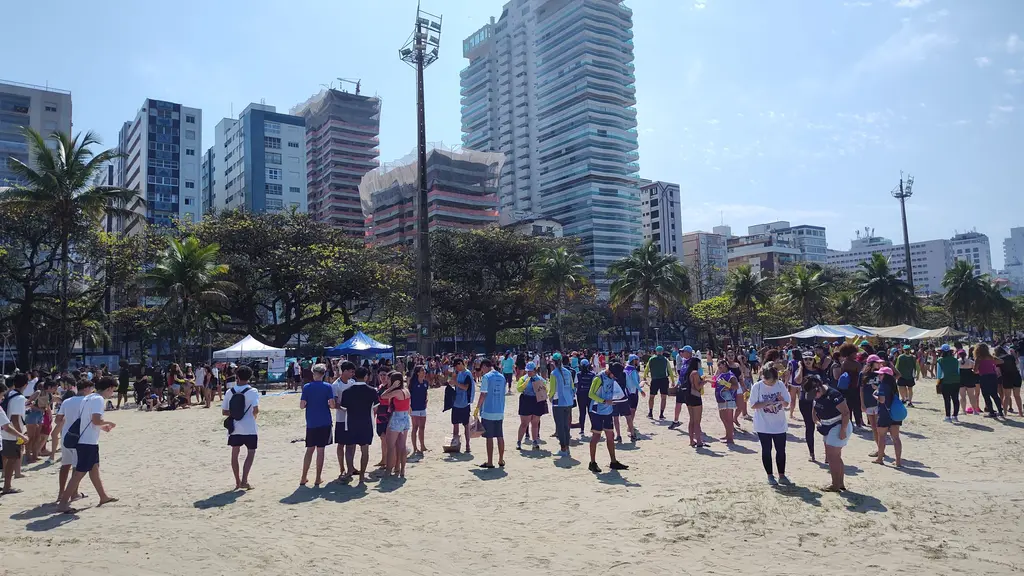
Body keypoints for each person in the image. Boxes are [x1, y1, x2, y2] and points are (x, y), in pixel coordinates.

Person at [56, 377, 118, 514]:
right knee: (79, 473)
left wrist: (102, 427)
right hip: (87, 442)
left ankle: (103, 496)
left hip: (86, 440)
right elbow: (96, 420)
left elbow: (87, 420)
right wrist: (108, 423)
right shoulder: (98, 399)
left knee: (94, 469)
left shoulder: (88, 398)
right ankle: (63, 502)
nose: (112, 393)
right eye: (112, 390)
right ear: (108, 388)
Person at [805, 374, 852, 492]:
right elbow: (814, 411)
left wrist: (843, 430)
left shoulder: (833, 394)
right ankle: (839, 483)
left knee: (832, 457)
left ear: (819, 388)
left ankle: (835, 485)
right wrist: (816, 421)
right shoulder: (816, 395)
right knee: (835, 456)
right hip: (827, 426)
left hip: (839, 425)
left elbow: (846, 413)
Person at [748, 366, 791, 485]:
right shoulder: (757, 386)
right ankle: (770, 475)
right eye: (769, 382)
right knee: (766, 450)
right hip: (763, 425)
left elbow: (787, 403)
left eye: (773, 381)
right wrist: (767, 402)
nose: (771, 384)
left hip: (779, 424)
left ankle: (782, 475)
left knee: (781, 450)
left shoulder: (780, 385)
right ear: (763, 377)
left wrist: (782, 401)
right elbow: (753, 405)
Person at [338, 367, 378, 483]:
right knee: (364, 450)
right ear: (366, 376)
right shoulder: (372, 391)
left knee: (349, 449)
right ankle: (361, 477)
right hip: (366, 423)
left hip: (351, 423)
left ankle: (349, 471)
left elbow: (343, 408)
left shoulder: (347, 391)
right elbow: (376, 408)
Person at [222, 366, 259, 490]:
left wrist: (235, 413)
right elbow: (256, 410)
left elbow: (225, 411)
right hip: (249, 427)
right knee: (251, 452)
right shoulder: (253, 391)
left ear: (236, 376)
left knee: (234, 454)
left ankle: (237, 481)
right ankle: (245, 480)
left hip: (235, 428)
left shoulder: (229, 392)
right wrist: (252, 416)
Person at [587, 362, 628, 473]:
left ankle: (613, 461)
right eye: (614, 375)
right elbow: (591, 394)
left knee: (610, 435)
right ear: (610, 371)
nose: (615, 377)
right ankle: (592, 462)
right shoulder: (598, 378)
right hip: (597, 411)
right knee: (596, 436)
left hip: (608, 411)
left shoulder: (612, 378)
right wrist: (604, 401)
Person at [299, 363, 335, 486]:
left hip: (312, 421)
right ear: (324, 374)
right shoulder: (328, 387)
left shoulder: (307, 387)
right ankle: (318, 478)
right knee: (321, 450)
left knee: (309, 450)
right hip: (324, 420)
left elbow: (302, 405)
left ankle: (303, 477)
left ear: (313, 373)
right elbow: (332, 404)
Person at [475, 358, 507, 468]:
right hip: (500, 410)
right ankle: (501, 460)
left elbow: (483, 394)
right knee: (499, 435)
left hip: (488, 411)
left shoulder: (486, 377)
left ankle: (490, 461)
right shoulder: (502, 377)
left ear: (485, 366)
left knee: (489, 437)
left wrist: (477, 407)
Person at [1, 374, 29, 494]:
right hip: (12, 432)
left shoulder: (10, 393)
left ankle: (6, 483)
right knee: (13, 459)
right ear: (25, 385)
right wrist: (21, 435)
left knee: (7, 458)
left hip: (4, 432)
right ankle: (7, 486)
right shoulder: (20, 398)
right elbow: (15, 418)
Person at [380, 372, 411, 478]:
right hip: (405, 418)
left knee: (391, 446)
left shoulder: (397, 392)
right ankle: (401, 470)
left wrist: (392, 387)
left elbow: (383, 396)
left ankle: (388, 470)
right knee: (402, 446)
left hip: (397, 417)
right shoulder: (406, 390)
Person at [872, 367, 903, 467]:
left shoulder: (883, 386)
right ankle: (898, 461)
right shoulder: (894, 385)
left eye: (881, 374)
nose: (879, 376)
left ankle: (880, 458)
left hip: (884, 413)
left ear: (886, 376)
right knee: (896, 438)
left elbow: (882, 400)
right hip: (895, 413)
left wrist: (875, 395)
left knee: (882, 437)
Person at [331, 361, 357, 479]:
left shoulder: (353, 382)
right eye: (351, 371)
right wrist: (345, 409)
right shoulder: (336, 385)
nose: (352, 374)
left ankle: (351, 466)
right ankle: (342, 467)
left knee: (352, 444)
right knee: (341, 444)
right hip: (341, 419)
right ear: (345, 371)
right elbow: (335, 404)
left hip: (352, 418)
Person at [516, 362, 547, 451]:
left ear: (535, 370)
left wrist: (543, 391)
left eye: (531, 371)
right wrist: (525, 382)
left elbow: (545, 390)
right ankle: (519, 441)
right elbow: (519, 389)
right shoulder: (523, 378)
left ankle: (535, 441)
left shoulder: (540, 379)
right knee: (524, 423)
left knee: (535, 422)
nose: (529, 373)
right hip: (526, 399)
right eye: (528, 371)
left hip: (537, 401)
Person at [549, 353, 575, 457]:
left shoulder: (553, 373)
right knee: (566, 426)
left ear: (553, 362)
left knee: (560, 426)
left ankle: (563, 448)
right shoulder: (568, 372)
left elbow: (552, 389)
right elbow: (572, 386)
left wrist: (549, 397)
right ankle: (567, 447)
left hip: (558, 402)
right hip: (568, 401)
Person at [794, 353, 818, 462]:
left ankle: (828, 453)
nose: (808, 361)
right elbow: (797, 381)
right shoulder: (801, 371)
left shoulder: (819, 371)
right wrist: (800, 367)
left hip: (819, 401)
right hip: (806, 401)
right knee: (810, 427)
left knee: (826, 426)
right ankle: (811, 453)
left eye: (810, 359)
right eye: (805, 359)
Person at [450, 358, 475, 453]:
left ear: (460, 364)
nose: (456, 368)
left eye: (457, 366)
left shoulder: (467, 374)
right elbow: (456, 385)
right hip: (456, 403)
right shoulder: (459, 373)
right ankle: (455, 445)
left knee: (466, 425)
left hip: (464, 403)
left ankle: (468, 445)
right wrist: (452, 382)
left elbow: (465, 387)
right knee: (455, 424)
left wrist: (456, 382)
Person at [973, 343, 1004, 418]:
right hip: (993, 376)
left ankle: (991, 412)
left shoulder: (979, 358)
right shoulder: (991, 357)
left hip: (984, 377)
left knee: (986, 395)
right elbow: (1001, 361)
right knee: (995, 395)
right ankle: (1000, 411)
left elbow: (975, 370)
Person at [620, 354, 645, 443]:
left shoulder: (625, 369)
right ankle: (630, 428)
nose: (638, 361)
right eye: (637, 360)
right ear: (634, 360)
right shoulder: (633, 370)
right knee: (633, 411)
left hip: (626, 392)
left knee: (629, 410)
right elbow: (635, 382)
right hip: (633, 392)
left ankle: (630, 427)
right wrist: (641, 389)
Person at [713, 359, 739, 445]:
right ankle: (728, 435)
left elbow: (736, 386)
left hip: (728, 399)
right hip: (721, 399)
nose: (719, 367)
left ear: (725, 364)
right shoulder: (721, 374)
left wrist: (725, 384)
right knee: (722, 417)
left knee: (729, 419)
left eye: (720, 365)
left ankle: (730, 438)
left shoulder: (730, 375)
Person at [644, 346, 670, 420]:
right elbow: (669, 370)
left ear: (656, 351)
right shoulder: (665, 359)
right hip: (664, 379)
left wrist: (645, 376)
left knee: (652, 396)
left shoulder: (651, 359)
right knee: (663, 398)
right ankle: (661, 414)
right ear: (662, 351)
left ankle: (650, 413)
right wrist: (673, 380)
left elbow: (647, 368)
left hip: (655, 379)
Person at [936, 345, 961, 422]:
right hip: (956, 381)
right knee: (955, 399)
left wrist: (938, 383)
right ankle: (955, 416)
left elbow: (939, 375)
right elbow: (958, 372)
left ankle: (948, 417)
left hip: (946, 382)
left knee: (947, 399)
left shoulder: (940, 360)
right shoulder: (955, 360)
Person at [409, 364, 430, 455]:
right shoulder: (413, 383)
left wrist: (426, 399)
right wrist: (409, 406)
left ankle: (422, 445)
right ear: (417, 373)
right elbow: (409, 395)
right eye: (422, 370)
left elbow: (426, 392)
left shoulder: (426, 382)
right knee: (415, 428)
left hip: (422, 407)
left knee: (422, 427)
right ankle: (415, 448)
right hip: (414, 408)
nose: (424, 372)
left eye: (424, 370)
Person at [997, 346, 1023, 416]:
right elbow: (1017, 363)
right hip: (1016, 376)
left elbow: (998, 373)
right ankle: (1020, 412)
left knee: (1007, 396)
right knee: (1017, 396)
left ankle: (1005, 413)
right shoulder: (1010, 357)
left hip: (1007, 377)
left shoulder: (999, 360)